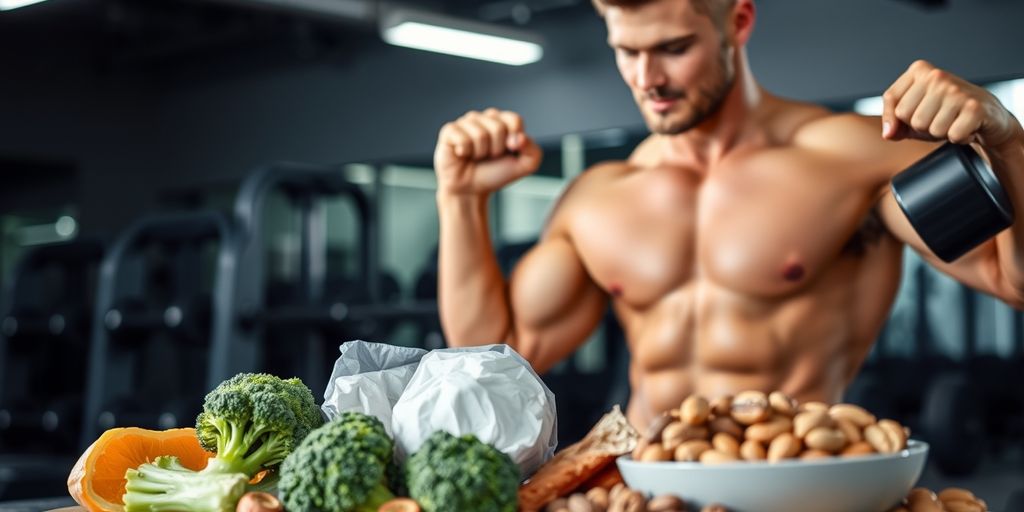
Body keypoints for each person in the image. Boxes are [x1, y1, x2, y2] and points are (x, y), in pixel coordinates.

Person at [432, 0, 1024, 430]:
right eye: (627, 51)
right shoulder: (600, 196)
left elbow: (1009, 279)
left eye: (673, 49)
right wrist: (460, 199)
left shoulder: (848, 159)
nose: (647, 80)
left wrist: (1011, 146)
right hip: (649, 484)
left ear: (738, 22)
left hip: (792, 483)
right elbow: (494, 356)